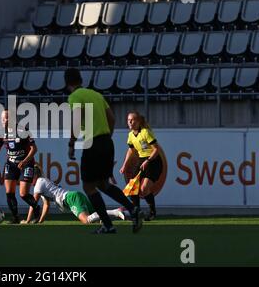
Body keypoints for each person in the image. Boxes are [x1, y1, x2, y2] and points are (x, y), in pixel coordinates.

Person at [65, 68, 142, 234]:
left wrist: (72, 143)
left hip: (93, 143)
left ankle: (108, 225)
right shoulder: (96, 95)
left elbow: (76, 122)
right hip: (107, 141)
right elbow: (112, 118)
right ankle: (132, 209)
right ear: (80, 79)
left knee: (88, 186)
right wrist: (106, 137)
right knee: (102, 184)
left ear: (67, 83)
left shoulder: (74, 97)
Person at [0, 109, 41, 224]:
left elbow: (34, 149)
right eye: (2, 118)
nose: (3, 121)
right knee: (9, 192)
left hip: (26, 163)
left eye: (6, 118)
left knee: (23, 194)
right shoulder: (1, 133)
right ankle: (16, 217)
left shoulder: (23, 130)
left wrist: (24, 161)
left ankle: (37, 209)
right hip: (11, 164)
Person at [23, 164, 124, 224]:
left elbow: (33, 204)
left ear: (35, 175)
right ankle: (125, 213)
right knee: (98, 218)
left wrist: (27, 221)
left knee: (86, 220)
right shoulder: (43, 181)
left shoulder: (39, 183)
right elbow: (46, 205)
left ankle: (116, 212)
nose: (27, 180)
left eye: (30, 177)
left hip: (70, 199)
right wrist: (40, 221)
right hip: (75, 196)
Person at [119, 111, 163, 221]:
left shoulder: (145, 132)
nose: (130, 122)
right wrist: (124, 165)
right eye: (128, 120)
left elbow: (156, 150)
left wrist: (148, 160)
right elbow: (131, 150)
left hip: (153, 161)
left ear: (138, 121)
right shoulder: (130, 135)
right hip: (142, 160)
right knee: (133, 187)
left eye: (132, 120)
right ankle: (136, 212)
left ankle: (152, 213)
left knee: (144, 188)